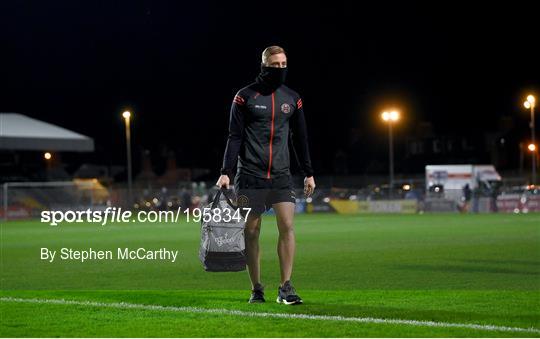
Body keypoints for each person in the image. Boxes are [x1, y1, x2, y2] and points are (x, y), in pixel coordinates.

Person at [216, 46, 315, 305]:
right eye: (275, 64)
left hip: (282, 176)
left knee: (287, 226)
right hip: (250, 176)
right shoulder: (244, 97)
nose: (280, 69)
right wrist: (226, 172)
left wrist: (308, 173)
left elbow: (300, 137)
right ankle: (256, 288)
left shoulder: (292, 98)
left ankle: (286, 287)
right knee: (251, 231)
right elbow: (234, 136)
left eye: (284, 64)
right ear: (264, 65)